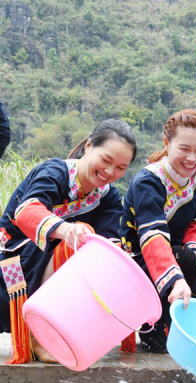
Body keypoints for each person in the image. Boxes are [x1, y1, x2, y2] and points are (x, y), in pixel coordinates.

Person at [0, 119, 136, 364]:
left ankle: (66, 330)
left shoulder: (109, 197)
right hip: (14, 261)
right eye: (105, 160)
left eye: (120, 167)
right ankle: (37, 335)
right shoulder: (55, 172)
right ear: (88, 146)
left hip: (53, 263)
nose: (109, 172)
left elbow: (108, 242)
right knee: (81, 237)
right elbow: (26, 213)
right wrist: (66, 229)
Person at [119, 110, 196, 353]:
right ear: (167, 143)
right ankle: (153, 321)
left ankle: (187, 330)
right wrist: (175, 281)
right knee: (162, 347)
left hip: (179, 255)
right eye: (184, 149)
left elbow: (195, 221)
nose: (192, 158)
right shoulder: (149, 181)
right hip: (140, 260)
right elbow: (152, 238)